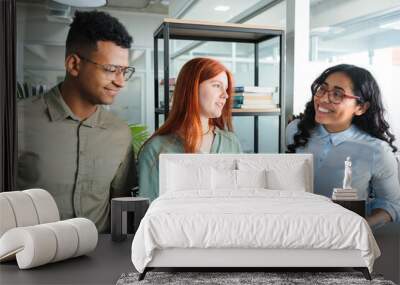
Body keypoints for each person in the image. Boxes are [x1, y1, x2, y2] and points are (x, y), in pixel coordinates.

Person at [17, 11, 137, 233]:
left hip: (100, 262)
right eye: (111, 69)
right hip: (29, 261)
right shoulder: (17, 120)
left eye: (124, 71)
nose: (120, 82)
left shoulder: (120, 133)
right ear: (74, 64)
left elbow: (121, 207)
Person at [286, 64, 400, 229]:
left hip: (344, 239)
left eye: (337, 94)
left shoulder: (377, 151)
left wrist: (360, 227)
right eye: (322, 89)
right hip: (294, 228)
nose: (323, 99)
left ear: (361, 107)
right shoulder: (295, 130)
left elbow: (392, 205)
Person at [138, 57, 242, 201]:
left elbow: (240, 201)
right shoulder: (156, 149)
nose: (225, 95)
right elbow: (150, 213)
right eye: (217, 85)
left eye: (226, 88)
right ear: (192, 87)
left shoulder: (231, 142)